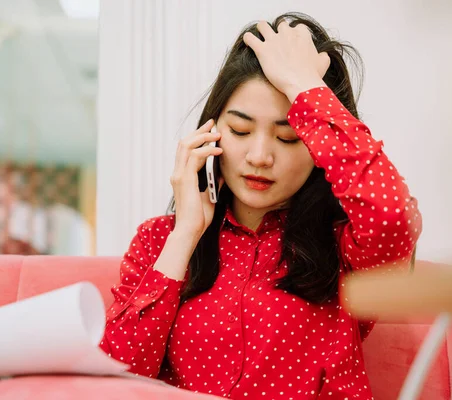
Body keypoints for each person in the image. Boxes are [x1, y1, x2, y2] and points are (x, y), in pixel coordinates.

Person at [100, 12, 422, 399]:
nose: (259, 156)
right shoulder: (159, 241)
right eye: (240, 130)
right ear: (211, 132)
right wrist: (185, 233)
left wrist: (305, 87)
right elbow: (118, 375)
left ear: (319, 148)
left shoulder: (345, 245)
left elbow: (391, 215)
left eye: (288, 137)